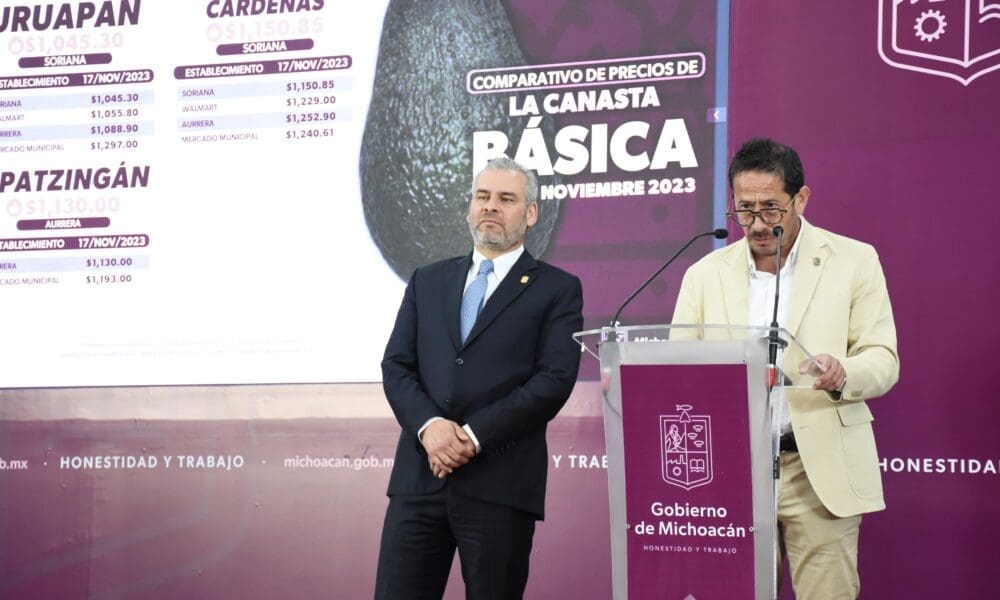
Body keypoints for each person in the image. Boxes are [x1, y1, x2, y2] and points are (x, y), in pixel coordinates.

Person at [671, 138, 899, 599]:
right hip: (730, 472)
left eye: (771, 208)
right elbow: (679, 367)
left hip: (818, 469)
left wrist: (843, 372)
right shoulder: (704, 274)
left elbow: (883, 358)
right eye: (745, 210)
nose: (757, 224)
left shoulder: (853, 260)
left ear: (801, 198)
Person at [374, 156, 584, 600]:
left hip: (499, 487)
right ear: (469, 207)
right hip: (420, 478)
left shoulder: (557, 289)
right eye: (482, 197)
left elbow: (553, 381)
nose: (490, 206)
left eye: (506, 199)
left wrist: (471, 437)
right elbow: (396, 366)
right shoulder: (427, 281)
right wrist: (431, 428)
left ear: (530, 214)